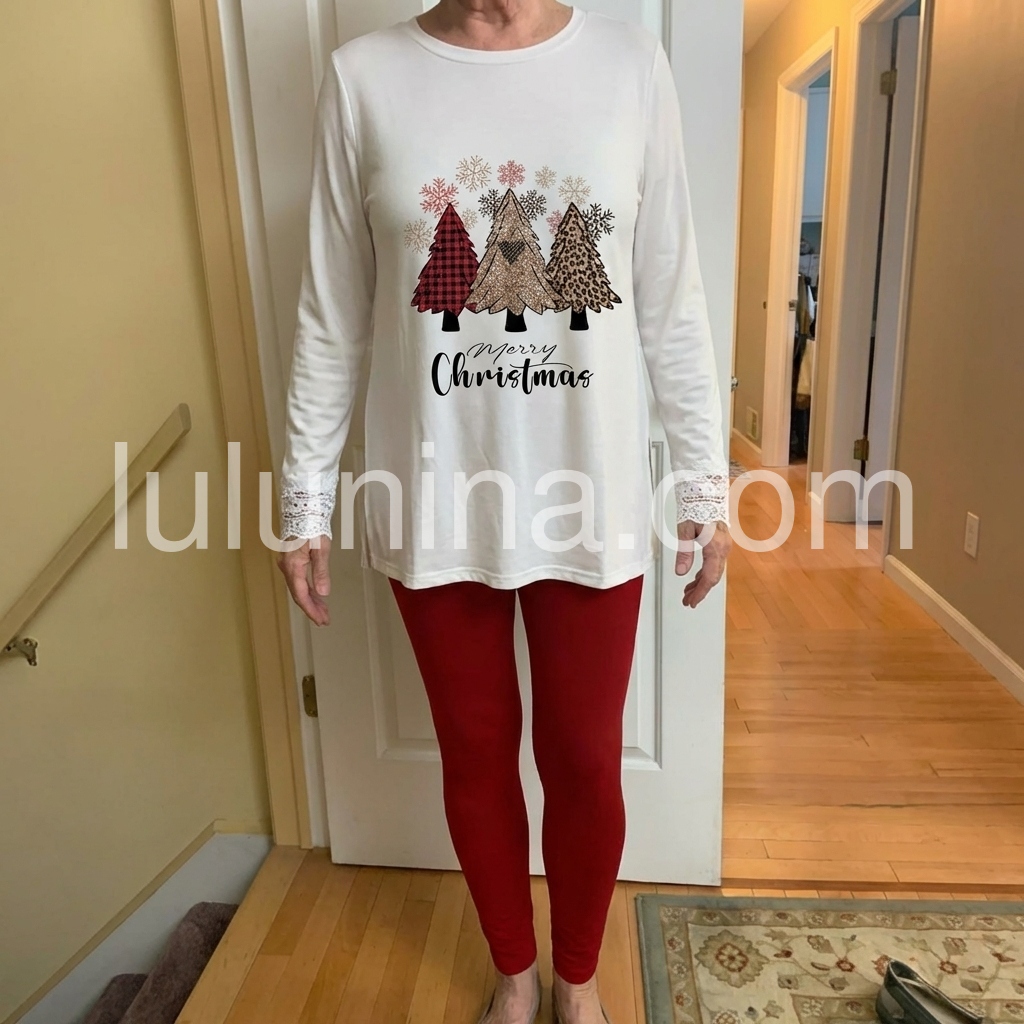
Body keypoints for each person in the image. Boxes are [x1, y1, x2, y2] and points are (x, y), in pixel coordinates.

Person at [276, 1, 732, 1021]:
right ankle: (514, 973)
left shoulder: (630, 66)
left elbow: (670, 298)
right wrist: (304, 496)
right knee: (475, 755)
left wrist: (704, 483)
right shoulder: (363, 79)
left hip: (591, 495)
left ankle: (578, 978)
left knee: (585, 761)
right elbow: (332, 314)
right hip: (435, 493)